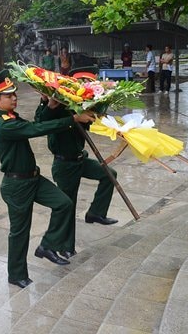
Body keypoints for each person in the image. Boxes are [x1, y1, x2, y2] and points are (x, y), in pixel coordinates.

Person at [0, 70, 95, 287]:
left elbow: (38, 121)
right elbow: (37, 128)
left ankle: (47, 245)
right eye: (8, 96)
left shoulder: (13, 117)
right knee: (20, 232)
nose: (14, 98)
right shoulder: (4, 125)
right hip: (16, 186)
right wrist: (72, 119)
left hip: (33, 178)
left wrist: (47, 103)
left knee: (64, 204)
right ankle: (16, 275)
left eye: (14, 94)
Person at [35, 93, 119, 259]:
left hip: (81, 160)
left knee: (110, 174)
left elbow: (91, 123)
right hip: (65, 165)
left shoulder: (80, 107)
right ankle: (66, 247)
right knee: (68, 205)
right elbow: (40, 122)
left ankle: (95, 213)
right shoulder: (55, 108)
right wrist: (48, 103)